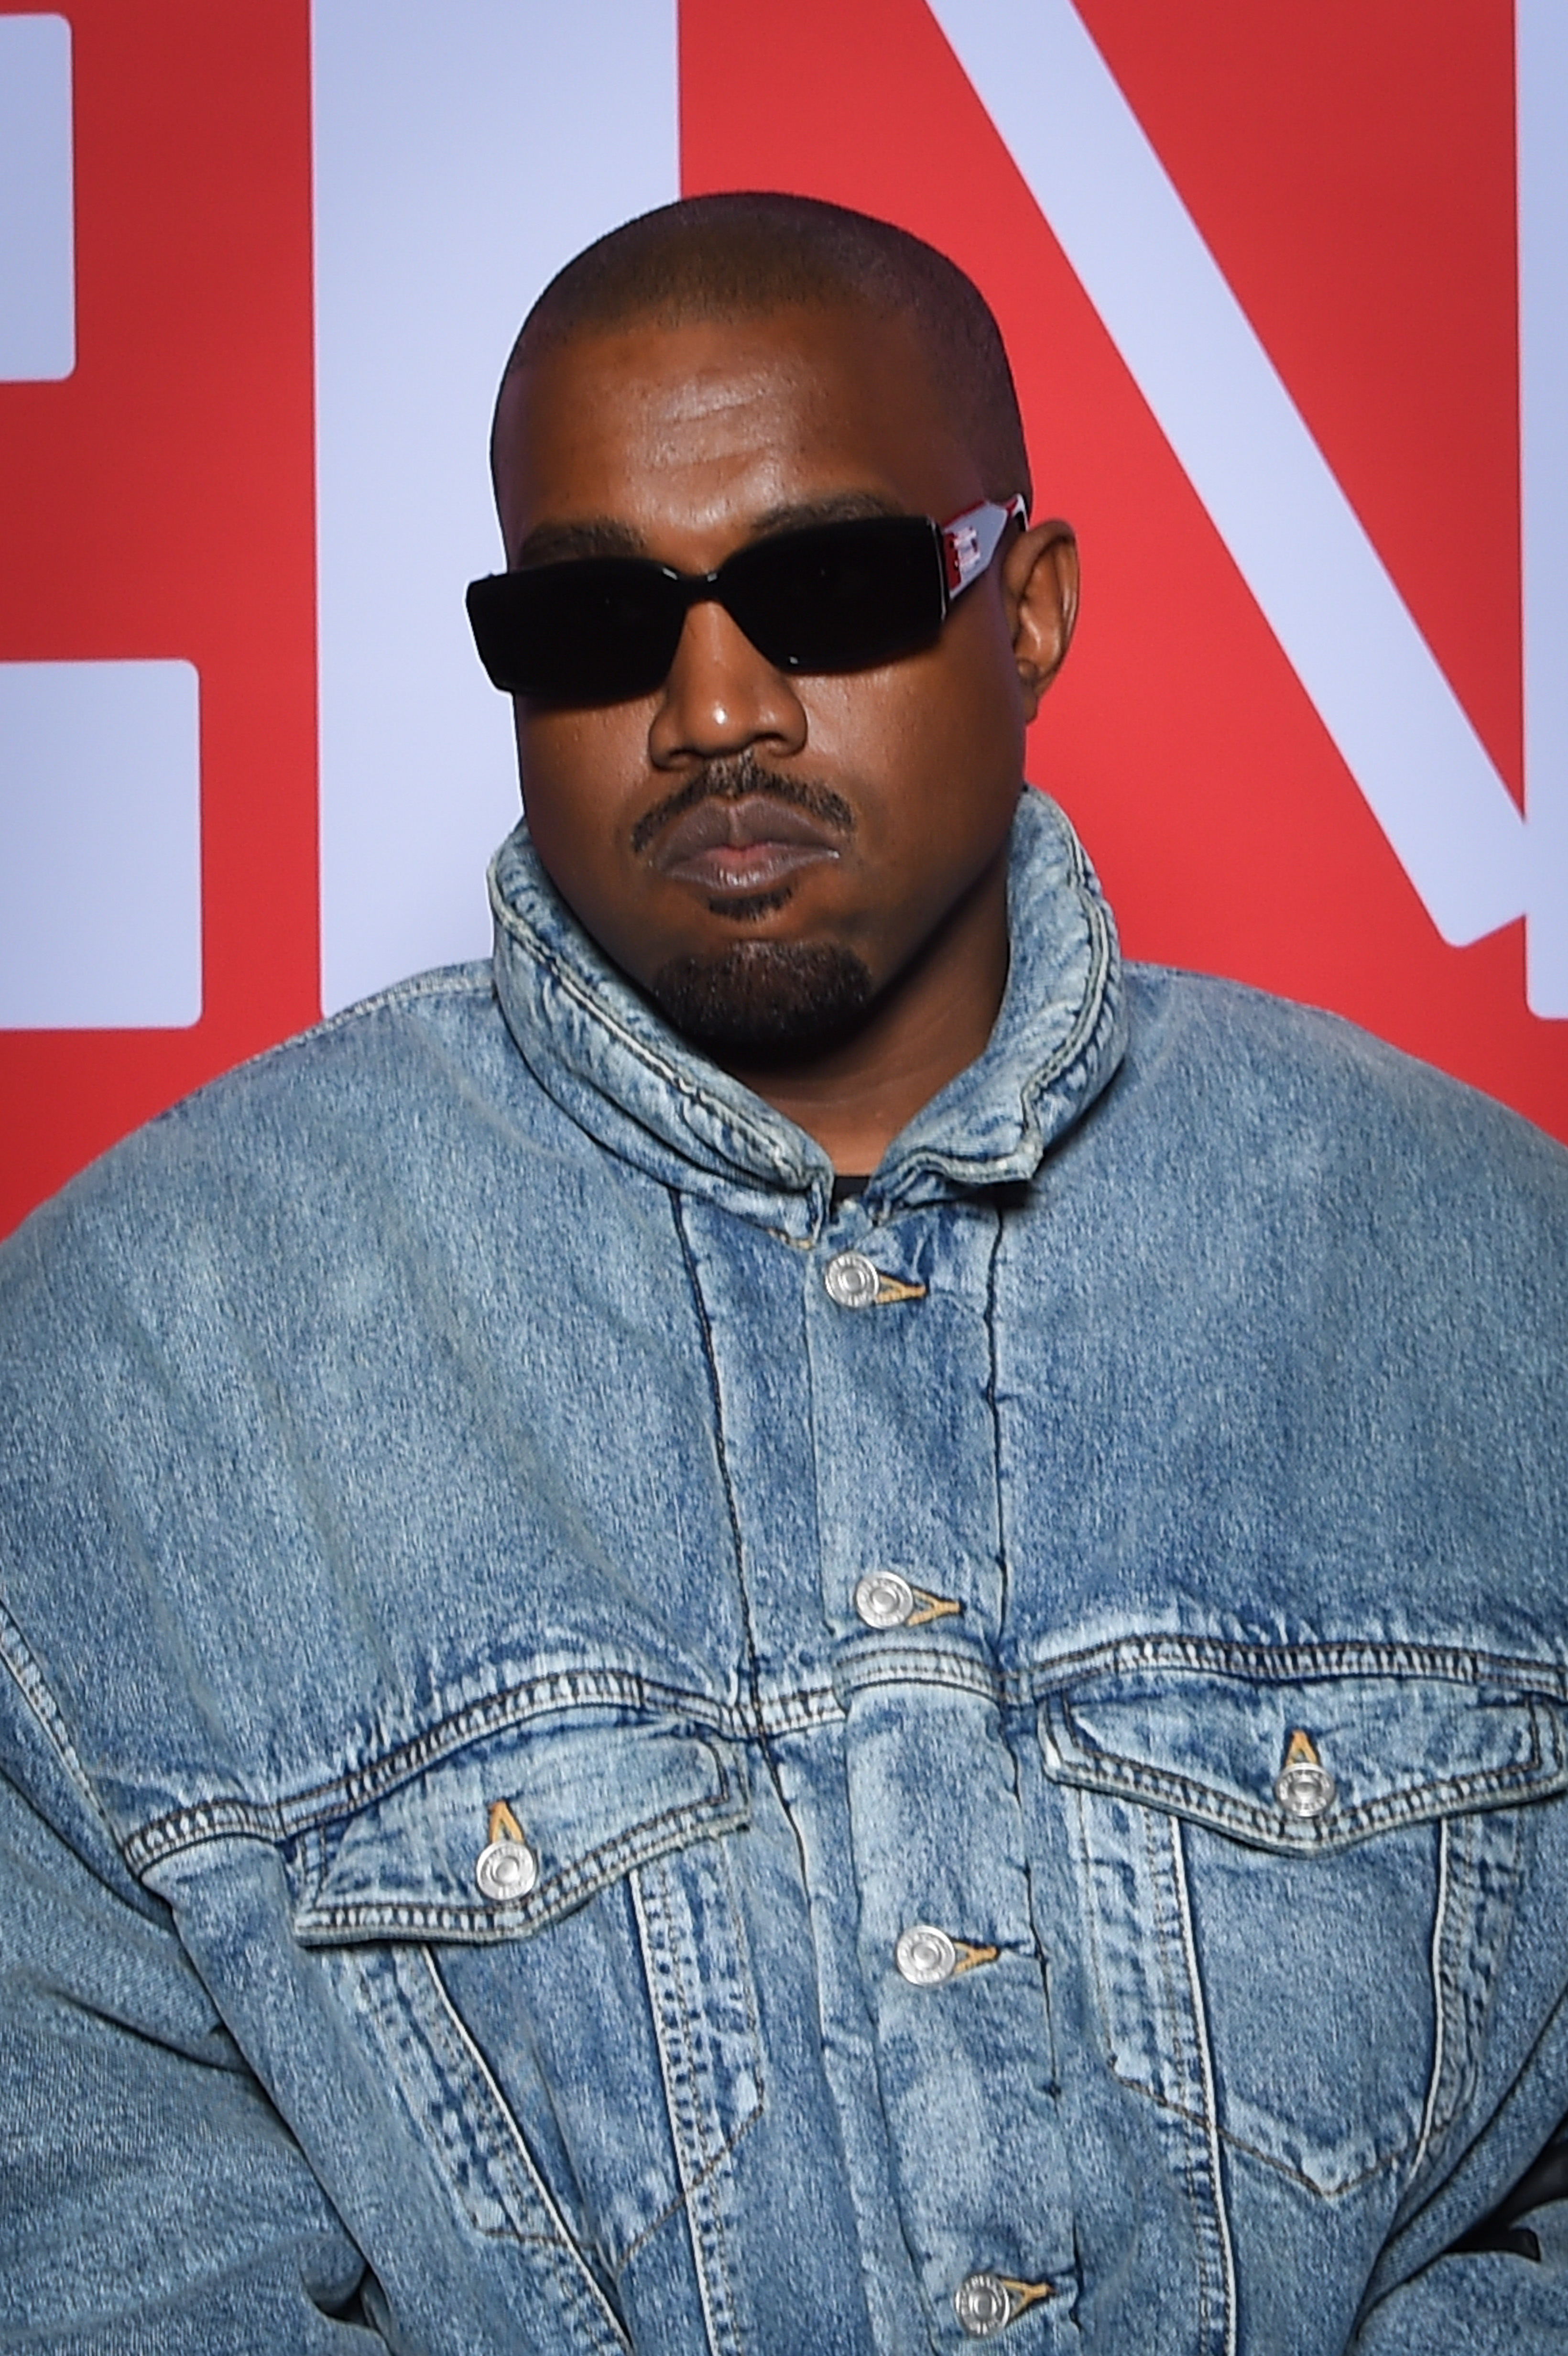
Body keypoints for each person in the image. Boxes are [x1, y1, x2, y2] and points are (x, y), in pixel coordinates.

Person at [1, 193, 1566, 2356]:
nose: (711, 709)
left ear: (1025, 609)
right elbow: (93, 2255)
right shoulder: (129, 1368)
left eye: (822, 586)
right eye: (593, 623)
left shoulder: (1496, 1279)